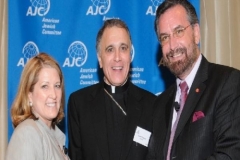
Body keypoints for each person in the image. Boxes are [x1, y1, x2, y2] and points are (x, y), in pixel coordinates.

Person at [147, 0, 240, 160]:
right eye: (165, 37)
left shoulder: (227, 83)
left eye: (179, 31)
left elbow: (229, 153)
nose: (172, 44)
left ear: (196, 33)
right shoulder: (160, 104)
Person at [67, 19, 156, 160]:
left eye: (123, 48)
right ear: (100, 59)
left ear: (130, 55)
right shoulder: (79, 104)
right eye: (110, 49)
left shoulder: (152, 104)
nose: (117, 57)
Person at [6, 53, 69, 160]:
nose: (54, 95)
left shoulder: (54, 135)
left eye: (57, 86)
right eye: (45, 86)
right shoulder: (27, 134)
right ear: (29, 95)